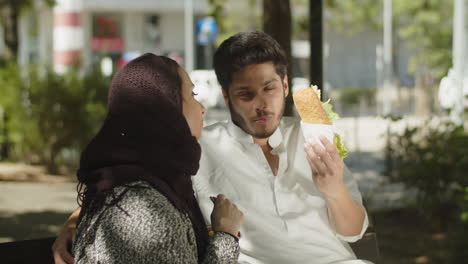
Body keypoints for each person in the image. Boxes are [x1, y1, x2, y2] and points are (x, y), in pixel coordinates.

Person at [53, 32, 370, 264]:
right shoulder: (198, 146)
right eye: (245, 94)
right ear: (226, 95)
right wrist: (74, 220)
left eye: (270, 89)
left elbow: (353, 232)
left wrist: (333, 189)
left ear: (286, 86)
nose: (261, 105)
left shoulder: (315, 138)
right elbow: (135, 181)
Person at [68, 53, 243, 264]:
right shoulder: (147, 212)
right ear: (166, 108)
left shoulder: (150, 182)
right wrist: (226, 236)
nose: (202, 108)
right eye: (192, 94)